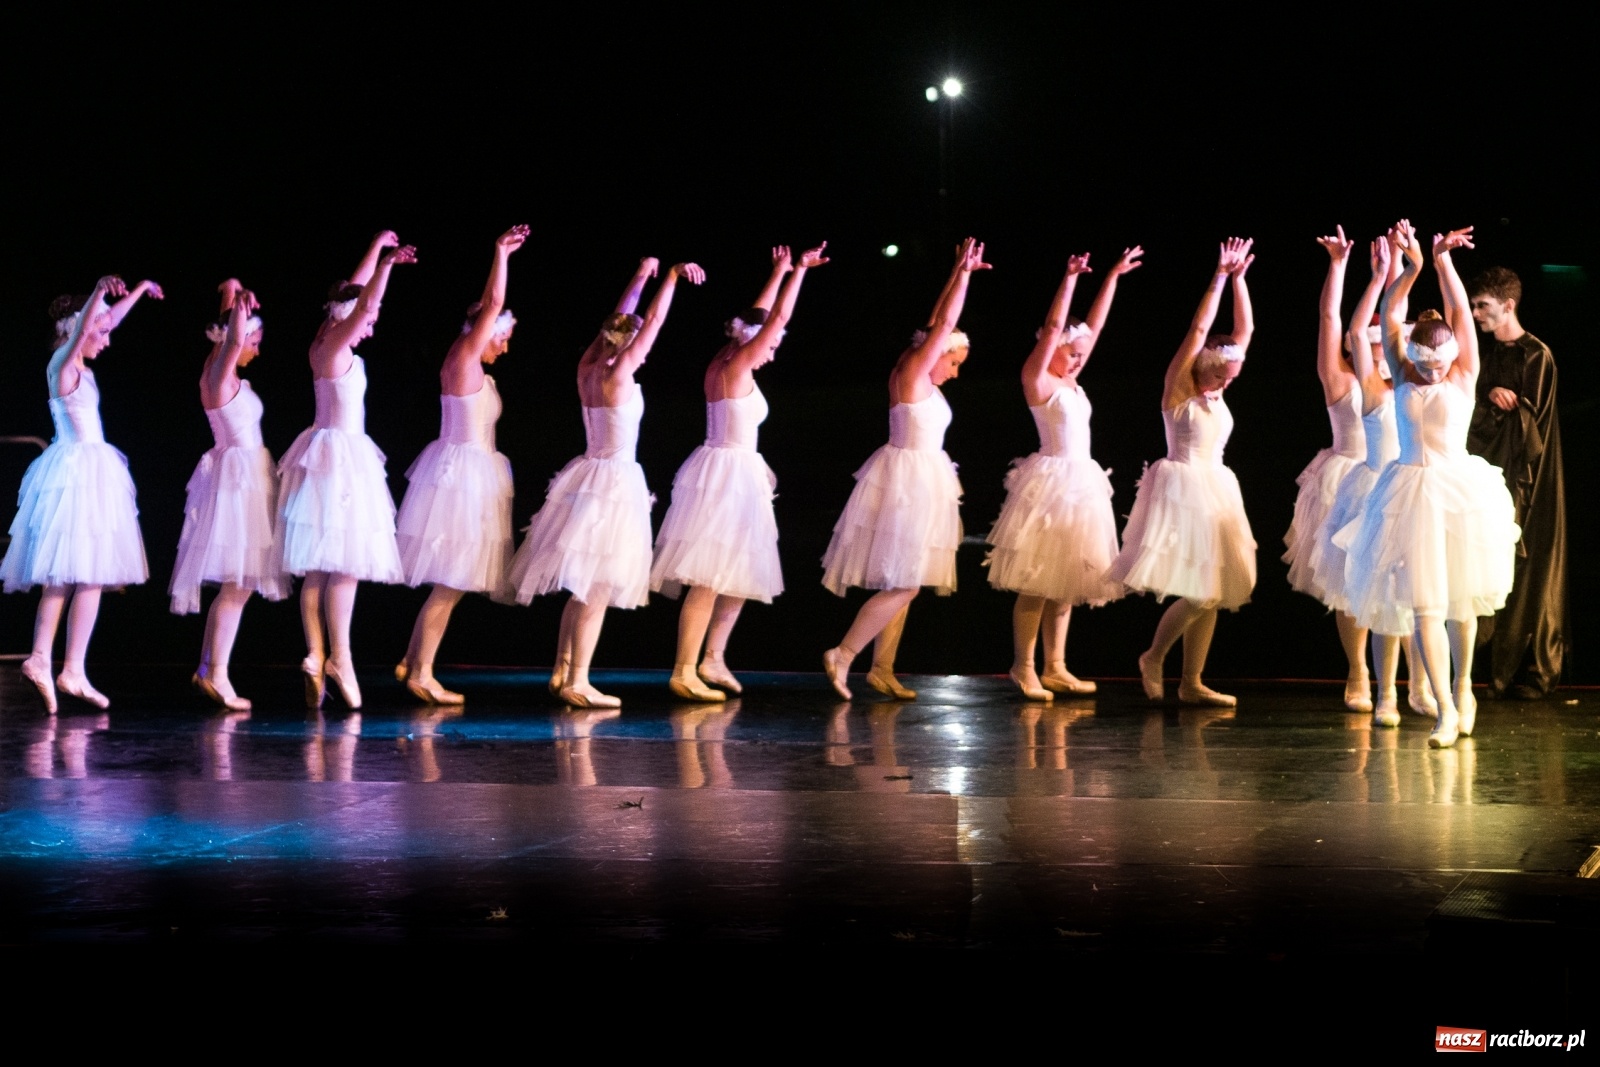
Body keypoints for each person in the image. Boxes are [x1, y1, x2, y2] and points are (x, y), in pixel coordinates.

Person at [1337, 221, 1520, 747]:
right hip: (1407, 492)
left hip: (1458, 490)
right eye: (1425, 362)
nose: (1434, 369)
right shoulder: (1402, 367)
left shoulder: (1463, 374)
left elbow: (1461, 315)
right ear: (1412, 357)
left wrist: (1442, 263)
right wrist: (1410, 268)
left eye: (1441, 361)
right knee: (1425, 608)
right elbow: (1385, 319)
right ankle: (1442, 707)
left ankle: (1464, 688)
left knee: (1460, 605)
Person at [509, 257, 705, 708]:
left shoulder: (588, 368)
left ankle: (562, 668)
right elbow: (652, 320)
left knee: (582, 583)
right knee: (596, 586)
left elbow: (618, 322)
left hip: (587, 475)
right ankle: (579, 680)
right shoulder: (619, 374)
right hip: (614, 483)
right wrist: (670, 279)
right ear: (631, 342)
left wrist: (639, 275)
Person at [651, 243, 830, 701]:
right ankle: (683, 669)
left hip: (735, 470)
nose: (771, 353)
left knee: (740, 572)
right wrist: (801, 274)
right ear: (752, 341)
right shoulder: (736, 364)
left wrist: (777, 271)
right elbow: (775, 319)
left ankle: (713, 657)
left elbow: (760, 316)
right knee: (710, 576)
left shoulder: (726, 355)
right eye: (769, 346)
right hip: (727, 474)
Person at [821, 237, 990, 701]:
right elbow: (946, 324)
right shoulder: (914, 370)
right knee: (908, 582)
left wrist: (958, 270)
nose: (955, 372)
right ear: (935, 354)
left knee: (905, 576)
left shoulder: (920, 365)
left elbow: (938, 323)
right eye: (953, 362)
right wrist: (966, 278)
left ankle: (883, 668)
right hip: (907, 482)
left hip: (921, 478)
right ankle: (844, 653)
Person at [986, 246, 1142, 700]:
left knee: (1066, 582)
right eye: (1069, 354)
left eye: (1079, 355)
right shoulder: (1039, 380)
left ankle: (1056, 665)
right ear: (1051, 349)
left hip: (1081, 483)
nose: (1076, 359)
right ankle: (1024, 666)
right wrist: (1071, 277)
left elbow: (1093, 328)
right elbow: (1057, 326)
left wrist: (1111, 276)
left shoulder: (1072, 378)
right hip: (1050, 485)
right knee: (1037, 579)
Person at [1109, 238, 1258, 707]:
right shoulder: (1179, 390)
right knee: (1200, 591)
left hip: (1217, 488)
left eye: (1230, 378)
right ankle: (1153, 656)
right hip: (1184, 488)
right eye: (1219, 378)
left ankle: (1192, 680)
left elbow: (1245, 327)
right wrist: (1217, 275)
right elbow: (1198, 329)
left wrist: (1240, 280)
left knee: (1214, 591)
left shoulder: (1224, 381)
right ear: (1202, 369)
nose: (1226, 384)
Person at [273, 231, 416, 709]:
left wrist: (376, 249)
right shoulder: (336, 345)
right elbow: (362, 303)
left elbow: (351, 295)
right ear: (347, 319)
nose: (371, 326)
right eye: (368, 320)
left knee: (318, 568)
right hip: (341, 462)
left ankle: (315, 654)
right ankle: (342, 659)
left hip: (325, 454)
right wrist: (388, 266)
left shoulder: (323, 341)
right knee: (346, 566)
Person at [2, 274, 156, 712]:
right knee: (63, 572)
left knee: (90, 573)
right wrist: (98, 295)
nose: (106, 340)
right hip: (73, 472)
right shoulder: (62, 365)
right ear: (79, 330)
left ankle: (71, 668)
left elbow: (103, 324)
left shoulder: (82, 365)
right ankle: (39, 657)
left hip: (93, 472)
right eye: (100, 333)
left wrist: (141, 291)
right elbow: (92, 323)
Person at [393, 225, 529, 704]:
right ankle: (422, 673)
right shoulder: (466, 356)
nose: (505, 347)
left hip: (468, 474)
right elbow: (492, 303)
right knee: (451, 582)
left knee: (452, 581)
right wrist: (501, 255)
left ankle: (413, 661)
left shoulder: (472, 363)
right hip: (461, 481)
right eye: (503, 337)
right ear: (486, 330)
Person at [1313, 233, 1437, 726]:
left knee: (1411, 586)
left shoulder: (1408, 384)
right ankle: (1364, 676)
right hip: (1363, 486)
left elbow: (1390, 322)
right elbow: (1352, 323)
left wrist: (1398, 272)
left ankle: (1419, 684)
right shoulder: (1354, 382)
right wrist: (1366, 273)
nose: (1379, 348)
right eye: (1366, 343)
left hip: (1405, 487)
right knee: (1359, 587)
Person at [171, 282, 286, 711]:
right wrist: (238, 308)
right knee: (237, 585)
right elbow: (233, 337)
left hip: (245, 477)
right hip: (237, 485)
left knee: (238, 585)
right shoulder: (219, 375)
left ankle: (208, 668)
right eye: (254, 340)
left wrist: (231, 296)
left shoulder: (220, 369)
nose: (257, 346)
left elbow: (227, 334)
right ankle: (217, 673)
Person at [1283, 228, 1373, 709]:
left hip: (1390, 480)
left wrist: (1398, 269)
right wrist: (1338, 266)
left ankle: (1402, 679)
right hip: (1346, 480)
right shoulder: (1338, 377)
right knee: (1348, 583)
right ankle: (1357, 671)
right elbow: (1329, 317)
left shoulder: (1398, 378)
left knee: (1396, 578)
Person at [1467, 267, 1566, 698]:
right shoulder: (1486, 355)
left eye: (1482, 306)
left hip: (1530, 477)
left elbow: (1532, 428)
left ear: (1508, 305)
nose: (1475, 315)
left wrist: (1505, 405)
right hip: (1490, 471)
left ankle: (1532, 671)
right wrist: (1488, 396)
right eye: (1473, 306)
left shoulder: (1536, 355)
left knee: (1530, 566)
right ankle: (1493, 672)